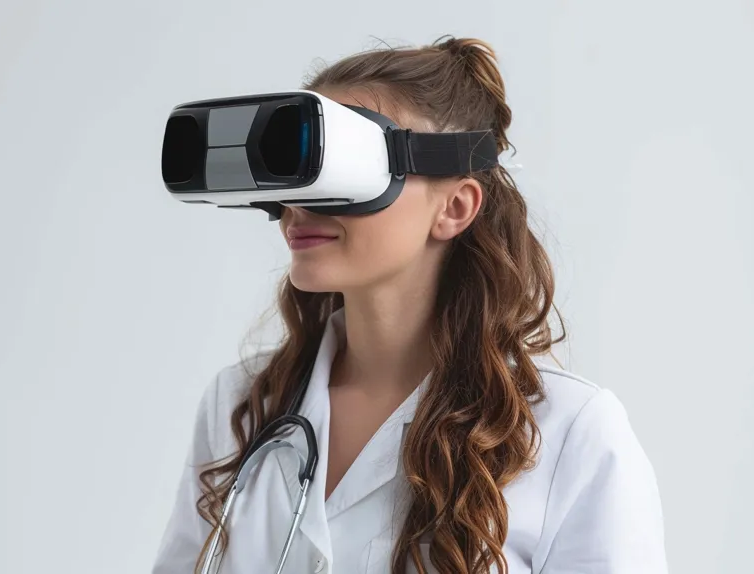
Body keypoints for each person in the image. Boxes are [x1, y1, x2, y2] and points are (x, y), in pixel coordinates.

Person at [152, 36, 667, 574]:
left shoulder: (569, 434)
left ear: (455, 207)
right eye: (296, 171)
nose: (297, 206)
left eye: (338, 172)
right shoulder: (240, 405)